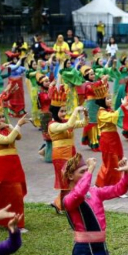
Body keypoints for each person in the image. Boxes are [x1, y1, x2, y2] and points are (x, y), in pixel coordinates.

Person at [48, 77, 87, 213]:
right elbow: (69, 125)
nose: (64, 113)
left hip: (71, 151)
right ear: (54, 112)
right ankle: (63, 204)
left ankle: (62, 204)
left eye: (65, 111)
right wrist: (75, 111)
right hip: (60, 154)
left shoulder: (64, 121)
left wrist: (85, 116)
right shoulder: (53, 125)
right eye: (61, 111)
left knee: (72, 179)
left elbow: (82, 124)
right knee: (65, 181)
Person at [0, 114, 29, 230]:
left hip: (14, 164)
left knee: (18, 192)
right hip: (2, 167)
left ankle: (4, 218)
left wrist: (10, 126)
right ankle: (16, 224)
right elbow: (8, 140)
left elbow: (19, 136)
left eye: (2, 117)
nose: (1, 119)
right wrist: (18, 125)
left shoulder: (7, 129)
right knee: (8, 194)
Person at [96, 86, 127, 187]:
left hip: (114, 137)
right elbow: (114, 117)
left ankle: (103, 183)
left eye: (110, 98)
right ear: (102, 101)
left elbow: (117, 117)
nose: (110, 100)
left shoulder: (109, 110)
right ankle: (116, 185)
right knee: (111, 161)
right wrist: (122, 106)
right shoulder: (102, 113)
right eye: (108, 98)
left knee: (117, 159)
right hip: (107, 139)